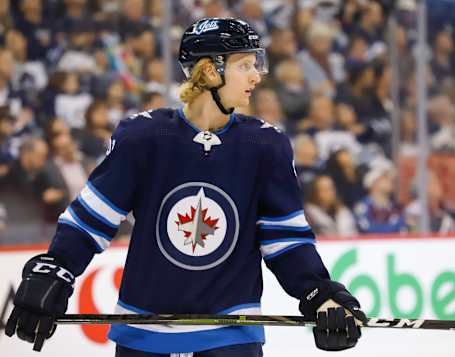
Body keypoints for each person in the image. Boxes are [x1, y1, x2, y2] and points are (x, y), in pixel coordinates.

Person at [5, 18, 366, 357]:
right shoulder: (144, 138)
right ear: (210, 71)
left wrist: (319, 294)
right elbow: (90, 221)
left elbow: (284, 240)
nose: (257, 75)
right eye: (245, 65)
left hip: (231, 335)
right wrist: (55, 268)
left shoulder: (265, 146)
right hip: (143, 333)